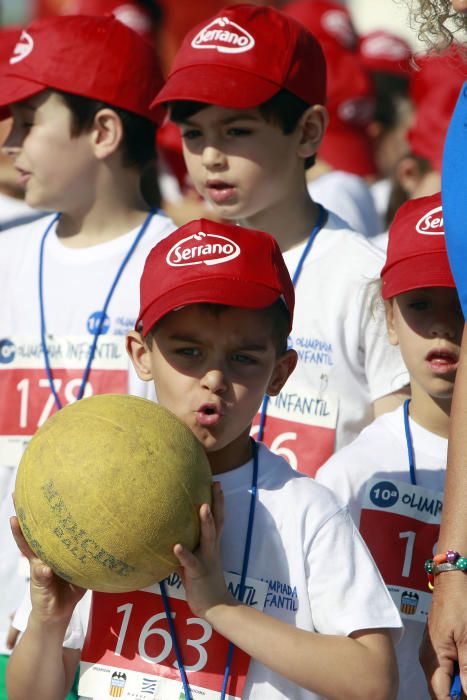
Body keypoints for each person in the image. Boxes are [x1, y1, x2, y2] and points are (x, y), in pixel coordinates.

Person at [7, 218, 403, 700]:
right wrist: (49, 620)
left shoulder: (304, 510)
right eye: (189, 351)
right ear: (141, 354)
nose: (214, 378)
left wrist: (221, 609)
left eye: (243, 359)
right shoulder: (86, 495)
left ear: (280, 373)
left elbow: (374, 681)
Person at [149, 3, 410, 478]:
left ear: (308, 131)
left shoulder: (366, 277)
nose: (210, 156)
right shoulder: (175, 263)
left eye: (236, 131)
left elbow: (399, 459)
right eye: (192, 133)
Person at [0, 14, 175, 698]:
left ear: (102, 132)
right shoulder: (5, 257)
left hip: (123, 646)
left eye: (27, 117)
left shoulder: (182, 266)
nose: (7, 138)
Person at [316, 191, 463, 699]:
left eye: (463, 300)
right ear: (389, 319)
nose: (443, 324)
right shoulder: (349, 476)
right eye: (420, 303)